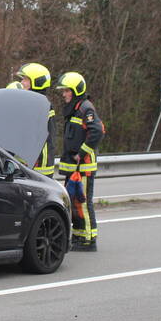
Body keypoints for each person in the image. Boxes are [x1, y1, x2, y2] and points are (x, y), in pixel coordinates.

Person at [55, 71, 104, 252]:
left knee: (83, 202)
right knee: (73, 202)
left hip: (84, 167)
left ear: (76, 91)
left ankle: (89, 240)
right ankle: (78, 236)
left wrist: (82, 152)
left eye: (67, 91)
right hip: (73, 167)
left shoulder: (85, 108)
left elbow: (97, 132)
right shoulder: (75, 108)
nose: (64, 94)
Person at [15, 63, 57, 178]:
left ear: (37, 82)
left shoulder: (41, 106)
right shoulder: (31, 103)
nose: (22, 82)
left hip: (39, 166)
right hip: (28, 164)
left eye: (26, 79)